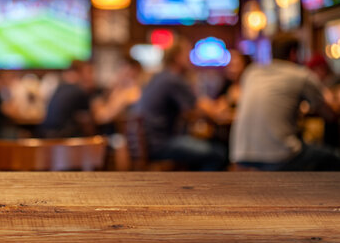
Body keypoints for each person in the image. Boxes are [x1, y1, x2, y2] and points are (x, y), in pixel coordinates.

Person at [231, 35, 340, 171]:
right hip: (279, 156)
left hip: (241, 155)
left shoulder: (251, 72)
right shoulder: (301, 74)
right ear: (293, 53)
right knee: (334, 158)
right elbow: (329, 114)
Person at [136, 39, 228, 171]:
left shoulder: (161, 76)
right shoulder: (173, 79)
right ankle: (205, 190)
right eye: (187, 55)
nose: (190, 59)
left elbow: (190, 111)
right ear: (178, 58)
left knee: (203, 150)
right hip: (162, 144)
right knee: (218, 154)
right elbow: (202, 108)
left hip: (152, 142)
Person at [39, 60, 96, 138]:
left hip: (46, 136)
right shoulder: (79, 91)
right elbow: (88, 121)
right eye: (89, 73)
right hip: (63, 139)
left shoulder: (60, 87)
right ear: (80, 73)